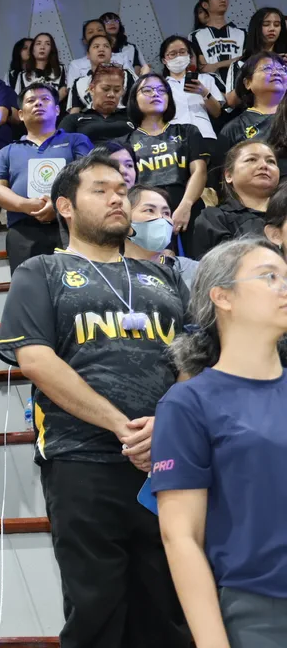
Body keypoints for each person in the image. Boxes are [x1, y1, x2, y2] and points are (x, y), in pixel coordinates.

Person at [0, 153, 192, 648]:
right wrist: (123, 426)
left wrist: (167, 424)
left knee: (168, 612)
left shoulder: (165, 276)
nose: (116, 198)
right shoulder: (41, 270)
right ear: (65, 205)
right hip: (79, 458)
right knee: (95, 611)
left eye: (121, 190)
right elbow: (35, 359)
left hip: (168, 460)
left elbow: (195, 361)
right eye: (100, 190)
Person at [152, 237, 287, 647]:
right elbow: (181, 538)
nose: (284, 287)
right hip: (260, 613)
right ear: (222, 297)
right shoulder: (188, 403)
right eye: (269, 277)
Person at [0, 83, 93, 271]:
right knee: (28, 285)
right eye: (31, 100)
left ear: (57, 110)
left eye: (45, 99)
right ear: (21, 114)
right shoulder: (7, 151)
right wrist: (25, 205)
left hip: (70, 225)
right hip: (23, 230)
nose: (38, 103)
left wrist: (58, 206)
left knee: (76, 283)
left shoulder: (76, 141)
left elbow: (89, 179)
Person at [121, 74, 209, 255]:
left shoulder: (187, 131)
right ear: (133, 99)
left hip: (189, 205)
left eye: (162, 90)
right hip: (147, 214)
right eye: (147, 90)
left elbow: (199, 171)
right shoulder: (125, 143)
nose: (156, 94)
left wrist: (185, 206)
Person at [194, 140, 281, 256]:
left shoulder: (283, 214)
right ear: (229, 175)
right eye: (251, 159)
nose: (264, 165)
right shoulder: (214, 218)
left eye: (271, 161)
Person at [125, 184, 199, 288]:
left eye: (166, 213)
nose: (161, 218)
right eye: (150, 210)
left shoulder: (193, 271)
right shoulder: (108, 272)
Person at [217, 52, 287, 155]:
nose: (276, 73)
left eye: (281, 69)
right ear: (248, 83)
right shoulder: (234, 128)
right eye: (267, 68)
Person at [161, 36, 224, 144]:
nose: (178, 56)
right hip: (174, 140)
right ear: (164, 60)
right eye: (173, 54)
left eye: (182, 52)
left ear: (189, 56)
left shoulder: (205, 79)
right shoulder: (160, 85)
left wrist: (204, 93)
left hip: (204, 134)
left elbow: (216, 112)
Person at [223, 7, 286, 108]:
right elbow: (231, 101)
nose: (272, 29)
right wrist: (253, 73)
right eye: (266, 24)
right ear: (256, 28)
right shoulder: (241, 64)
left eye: (277, 25)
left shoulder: (284, 60)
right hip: (253, 115)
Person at [59, 64, 138, 145]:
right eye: (105, 89)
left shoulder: (133, 118)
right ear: (91, 89)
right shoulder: (73, 120)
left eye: (117, 90)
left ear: (122, 92)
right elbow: (60, 148)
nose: (111, 94)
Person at [191, 0, 246, 91]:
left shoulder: (241, 33)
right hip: (213, 91)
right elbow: (204, 68)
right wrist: (233, 61)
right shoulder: (196, 36)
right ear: (205, 5)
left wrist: (216, 65)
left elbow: (245, 61)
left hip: (241, 89)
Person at [68, 40, 137, 114]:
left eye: (106, 46)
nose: (101, 49)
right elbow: (74, 113)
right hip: (92, 119)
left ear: (111, 53)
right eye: (96, 46)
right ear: (88, 54)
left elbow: (137, 103)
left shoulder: (126, 75)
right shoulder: (79, 83)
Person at [13, 32, 68, 103]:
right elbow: (18, 101)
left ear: (51, 49)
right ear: (32, 50)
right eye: (38, 43)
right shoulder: (23, 75)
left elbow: (65, 91)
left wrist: (48, 104)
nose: (42, 47)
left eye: (47, 44)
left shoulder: (61, 69)